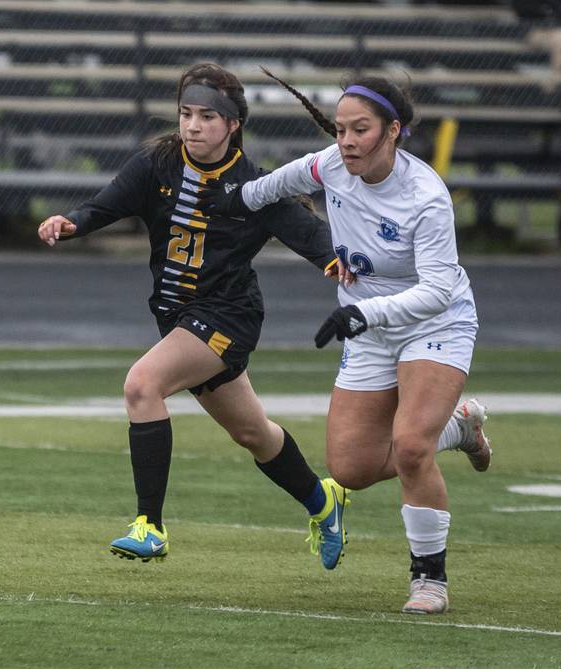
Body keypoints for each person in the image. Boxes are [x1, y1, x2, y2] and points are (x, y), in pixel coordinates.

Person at [38, 63, 486, 573]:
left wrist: (335, 261)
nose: (192, 125)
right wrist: (70, 223)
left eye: (208, 116)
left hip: (228, 315)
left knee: (142, 385)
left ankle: (150, 526)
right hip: (176, 315)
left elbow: (304, 226)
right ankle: (323, 503)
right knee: (256, 434)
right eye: (186, 113)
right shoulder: (157, 164)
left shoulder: (259, 182)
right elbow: (105, 205)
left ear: (234, 125)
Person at [203, 70, 492, 614]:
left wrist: (363, 311)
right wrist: (217, 202)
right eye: (340, 129)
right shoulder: (329, 165)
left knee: (409, 447)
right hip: (367, 329)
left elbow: (435, 292)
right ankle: (458, 428)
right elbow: (262, 192)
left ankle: (429, 580)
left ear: (393, 132)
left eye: (360, 130)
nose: (346, 141)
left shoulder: (427, 198)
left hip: (436, 323)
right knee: (352, 470)